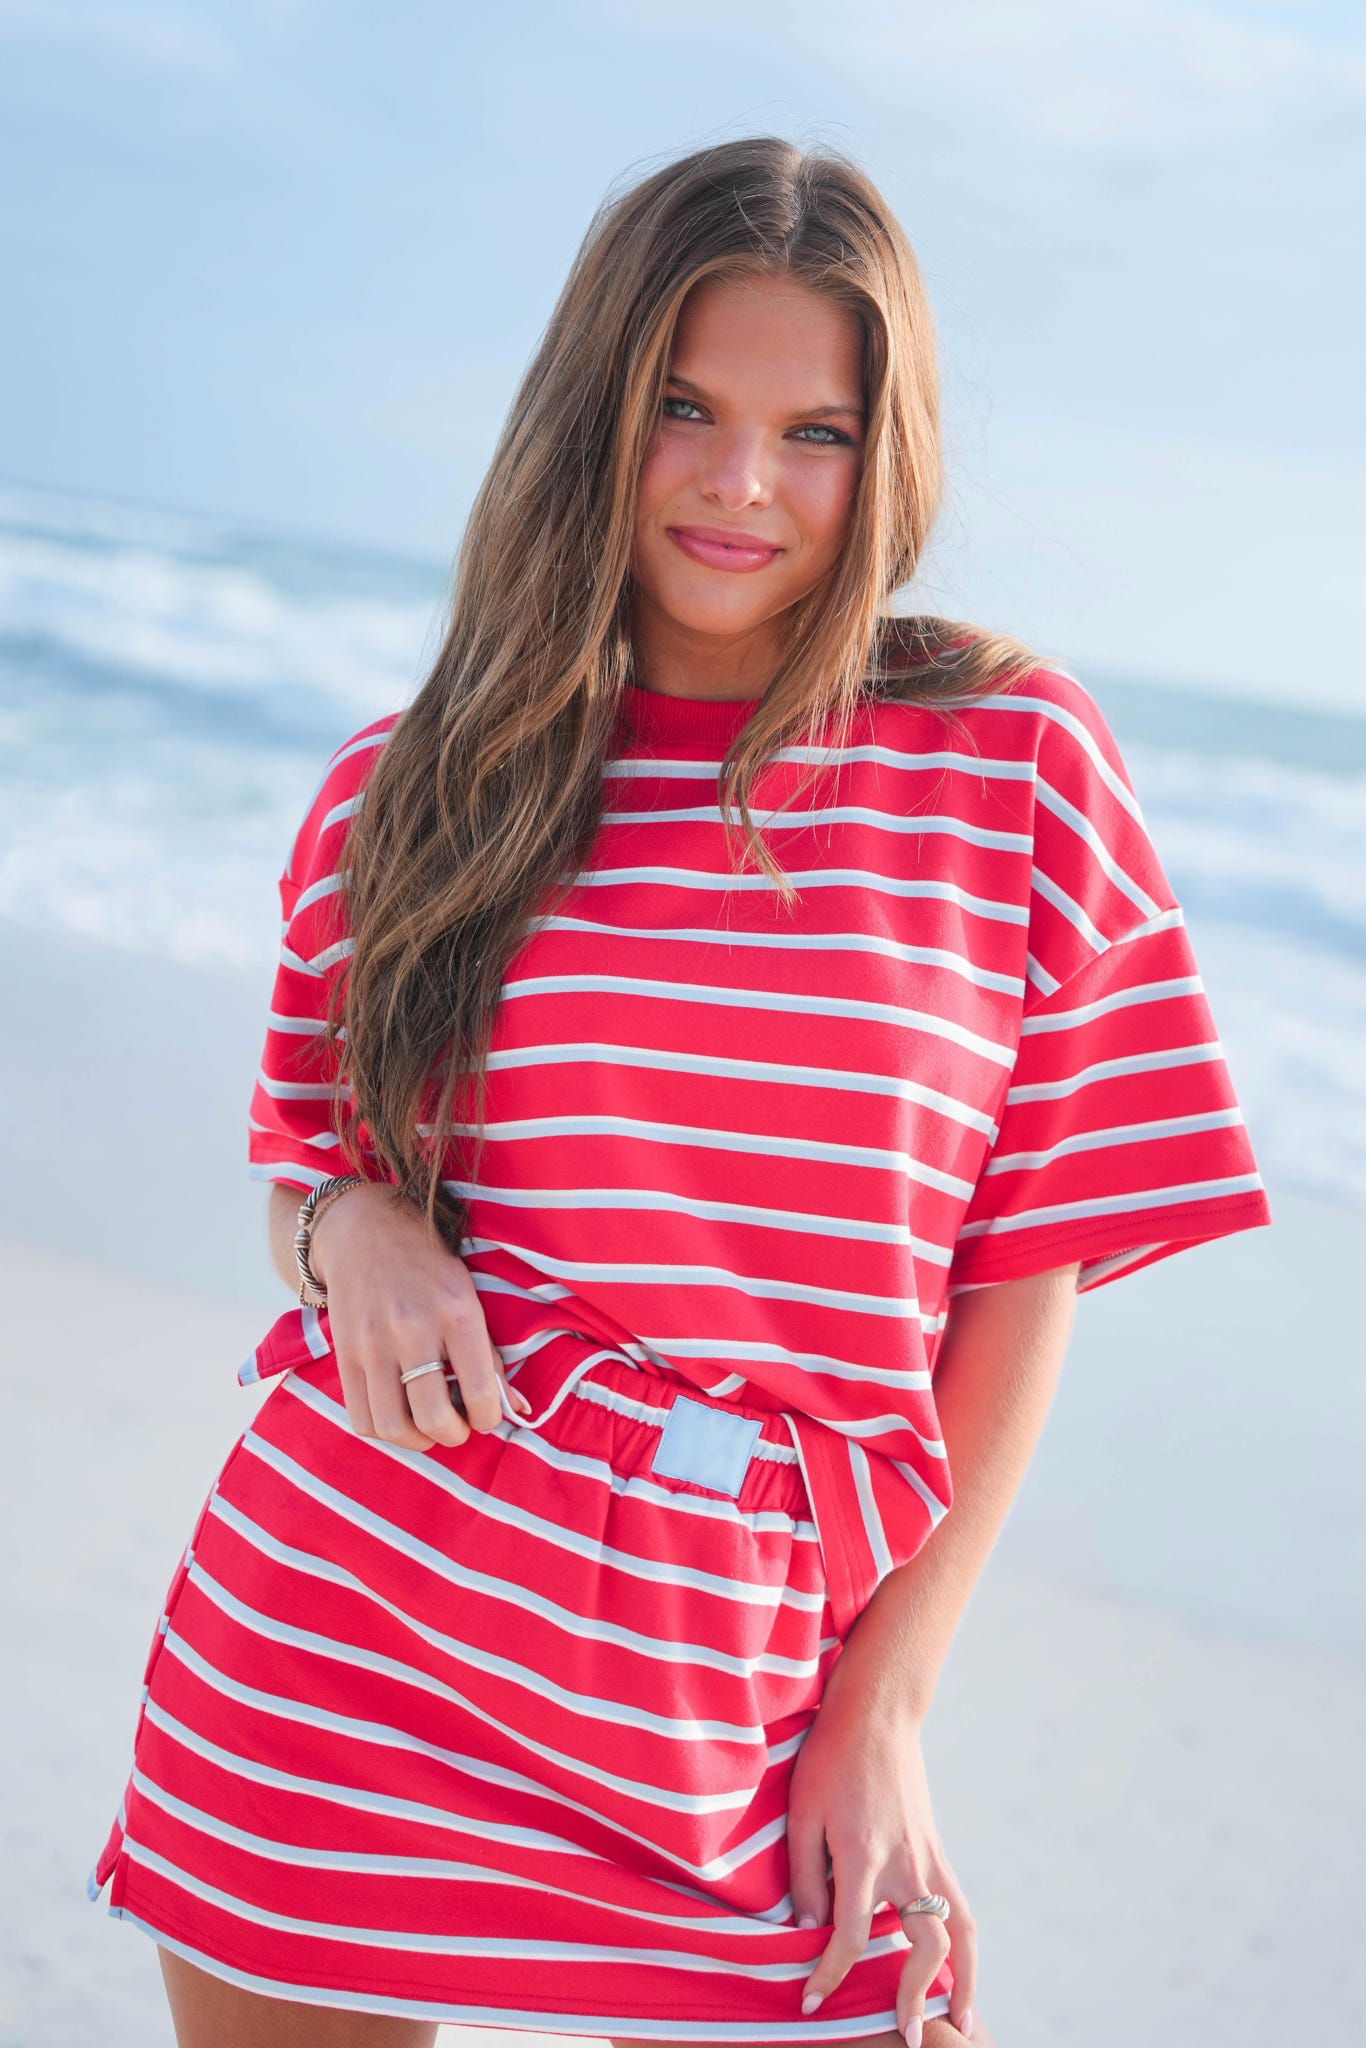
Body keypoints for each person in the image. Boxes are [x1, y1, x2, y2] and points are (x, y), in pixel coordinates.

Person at [86, 136, 1273, 2048]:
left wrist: (885, 1707)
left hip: (755, 1707)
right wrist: (350, 1229)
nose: (740, 484)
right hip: (346, 1635)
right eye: (683, 408)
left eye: (815, 433)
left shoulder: (1011, 764)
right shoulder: (408, 789)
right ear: (593, 408)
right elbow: (312, 1172)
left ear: (883, 454)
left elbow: (1024, 1264)